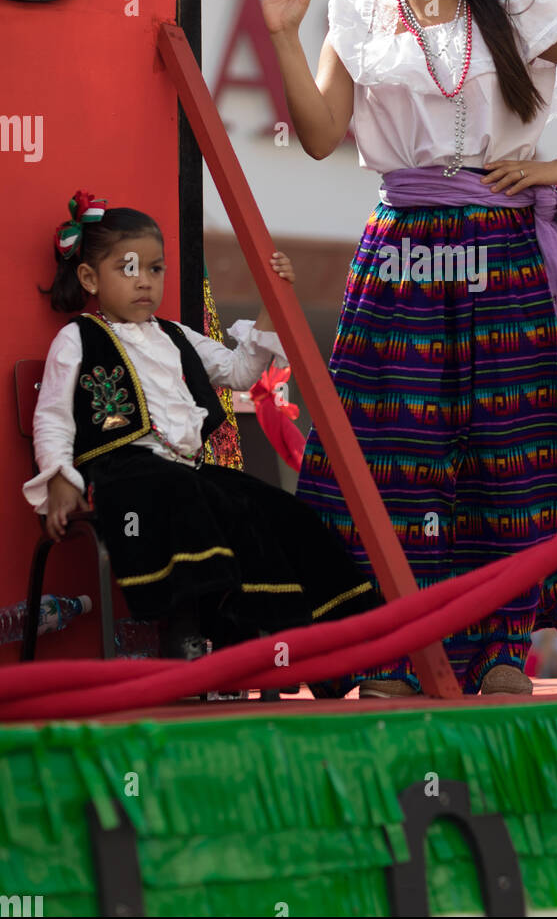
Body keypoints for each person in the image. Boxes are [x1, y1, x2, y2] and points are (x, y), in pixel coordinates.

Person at [260, 0, 557, 699]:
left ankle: (503, 650)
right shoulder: (360, 22)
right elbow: (322, 133)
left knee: (510, 451)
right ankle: (392, 651)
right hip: (403, 256)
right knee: (394, 450)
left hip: (508, 256)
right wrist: (286, 34)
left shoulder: (523, 9)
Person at [23, 190, 378, 661]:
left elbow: (238, 373)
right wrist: (61, 481)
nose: (144, 281)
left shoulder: (176, 335)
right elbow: (52, 416)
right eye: (128, 268)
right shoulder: (78, 338)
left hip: (181, 473)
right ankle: (189, 627)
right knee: (184, 492)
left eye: (154, 268)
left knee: (272, 506)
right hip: (120, 475)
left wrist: (275, 301)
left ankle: (304, 640)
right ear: (90, 276)